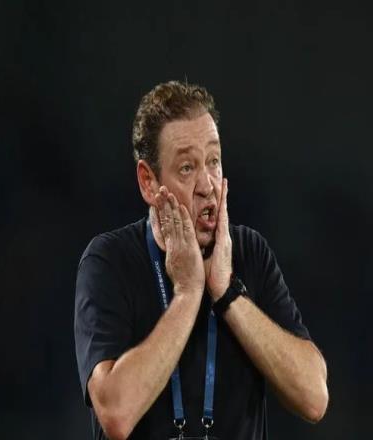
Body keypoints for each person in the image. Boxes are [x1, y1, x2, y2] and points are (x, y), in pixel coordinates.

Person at [74, 81, 328, 440]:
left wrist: (228, 294)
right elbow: (116, 413)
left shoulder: (249, 253)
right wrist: (188, 293)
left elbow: (314, 397)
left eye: (214, 161)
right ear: (148, 182)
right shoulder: (109, 262)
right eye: (187, 168)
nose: (208, 185)